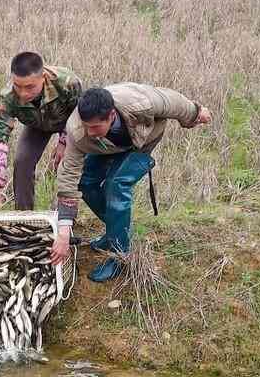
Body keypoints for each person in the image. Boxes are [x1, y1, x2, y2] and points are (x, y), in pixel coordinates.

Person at [49, 84, 213, 281]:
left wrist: (195, 113)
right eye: (86, 126)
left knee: (116, 185)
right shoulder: (77, 130)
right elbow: (68, 178)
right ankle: (115, 233)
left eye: (95, 126)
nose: (89, 131)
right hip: (106, 146)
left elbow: (172, 101)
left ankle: (120, 256)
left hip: (141, 141)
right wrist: (64, 232)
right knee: (84, 181)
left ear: (111, 115)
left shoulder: (139, 103)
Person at [0, 52, 82, 212]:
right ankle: (24, 217)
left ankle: (64, 217)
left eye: (29, 87)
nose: (23, 93)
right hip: (36, 126)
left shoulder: (67, 82)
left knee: (67, 163)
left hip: (69, 123)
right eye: (17, 86)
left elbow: (80, 116)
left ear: (43, 77)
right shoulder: (8, 97)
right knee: (22, 161)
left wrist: (64, 142)